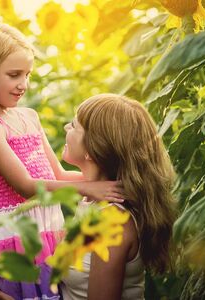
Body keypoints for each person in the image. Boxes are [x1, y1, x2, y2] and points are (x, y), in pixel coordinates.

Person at [0, 21, 123, 300]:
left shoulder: (29, 117)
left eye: (27, 74)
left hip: (44, 230)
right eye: (14, 75)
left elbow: (56, 174)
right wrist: (89, 188)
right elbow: (26, 186)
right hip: (12, 235)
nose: (23, 84)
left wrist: (110, 181)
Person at [59, 94, 177, 299]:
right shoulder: (91, 196)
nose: (65, 128)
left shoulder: (112, 223)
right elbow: (42, 178)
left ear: (91, 149)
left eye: (73, 125)